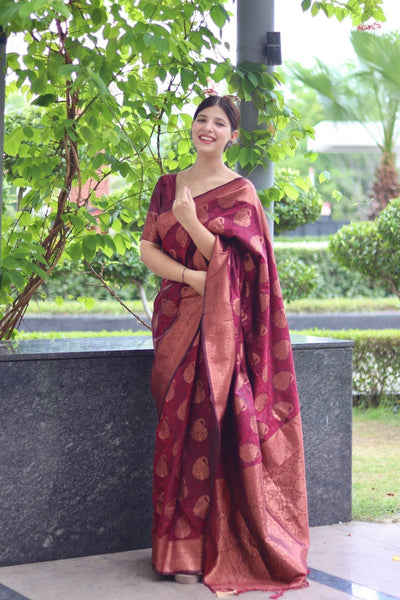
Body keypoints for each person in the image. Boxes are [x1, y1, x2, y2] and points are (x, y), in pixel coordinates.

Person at [140, 95, 309, 596]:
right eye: (201, 120)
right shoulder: (168, 185)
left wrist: (192, 223)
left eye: (219, 123)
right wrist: (191, 277)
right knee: (173, 431)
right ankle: (171, 548)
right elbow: (147, 246)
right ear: (191, 127)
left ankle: (202, 548)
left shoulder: (242, 193)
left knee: (208, 431)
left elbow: (240, 267)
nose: (207, 128)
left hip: (220, 331)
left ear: (232, 135)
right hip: (176, 319)